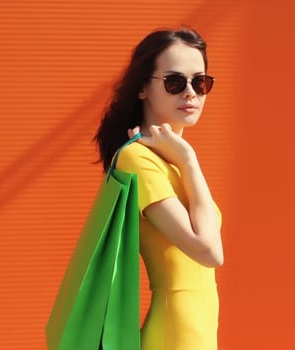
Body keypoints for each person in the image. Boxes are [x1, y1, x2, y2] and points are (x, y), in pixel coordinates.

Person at [93, 27, 224, 350]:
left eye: (200, 82)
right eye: (174, 82)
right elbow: (208, 252)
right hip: (177, 330)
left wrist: (184, 160)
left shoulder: (171, 159)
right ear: (142, 89)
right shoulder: (137, 158)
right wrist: (190, 160)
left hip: (199, 327)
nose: (191, 93)